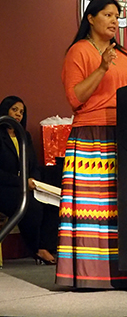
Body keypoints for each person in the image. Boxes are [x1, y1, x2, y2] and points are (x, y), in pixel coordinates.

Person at [55, 0, 127, 289]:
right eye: (108, 15)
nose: (115, 21)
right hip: (91, 138)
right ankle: (91, 275)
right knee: (95, 208)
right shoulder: (78, 52)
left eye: (117, 15)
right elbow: (75, 97)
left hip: (123, 135)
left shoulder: (124, 56)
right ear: (90, 18)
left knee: (120, 206)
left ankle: (123, 270)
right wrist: (101, 68)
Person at [0, 95, 57, 265]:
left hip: (27, 185)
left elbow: (33, 165)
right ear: (5, 110)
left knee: (53, 203)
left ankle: (46, 246)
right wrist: (22, 182)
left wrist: (35, 182)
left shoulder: (25, 136)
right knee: (31, 206)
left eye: (21, 112)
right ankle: (37, 249)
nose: (18, 114)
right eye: (14, 110)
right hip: (5, 188)